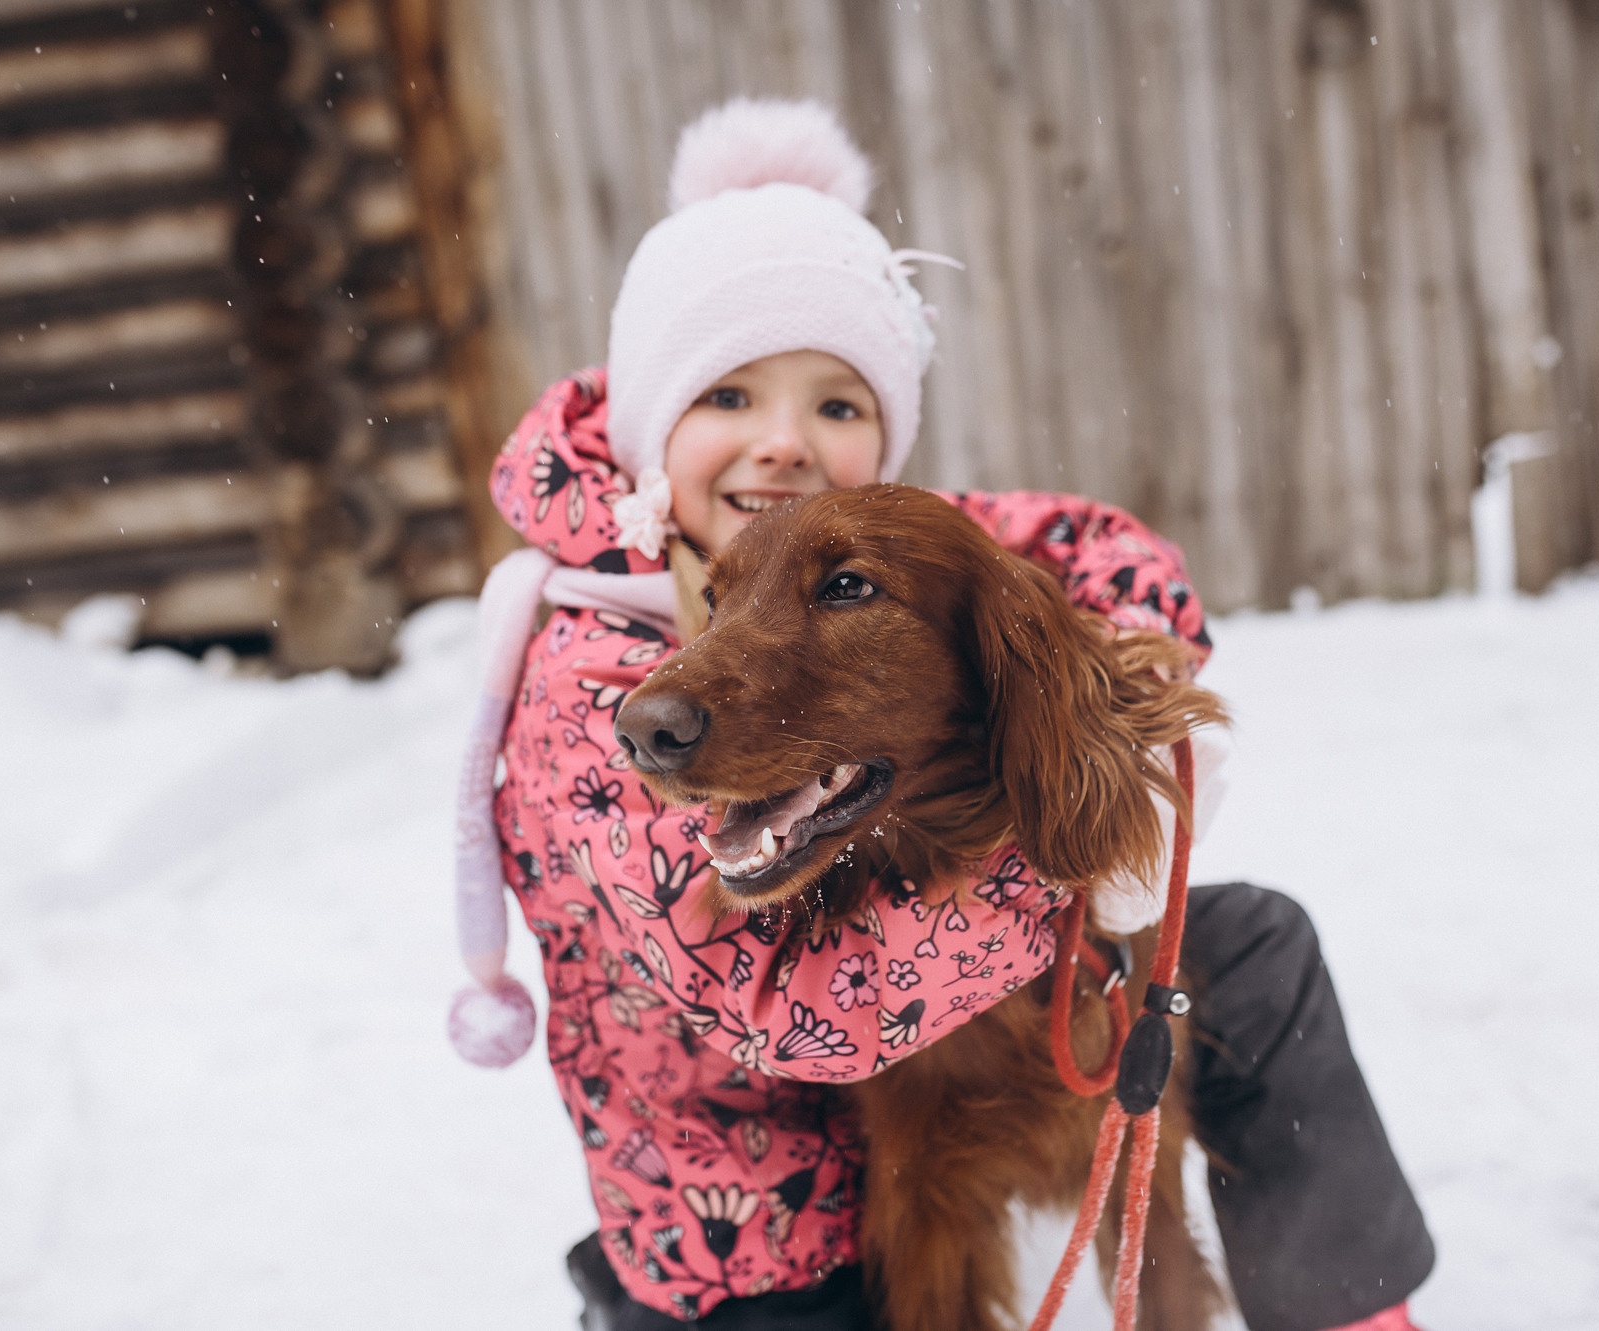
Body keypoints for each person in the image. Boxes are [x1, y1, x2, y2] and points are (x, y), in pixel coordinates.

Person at [450, 99, 1434, 1331]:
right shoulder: (580, 675)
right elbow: (800, 1000)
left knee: (1247, 943)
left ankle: (1347, 1311)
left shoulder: (847, 535)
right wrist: (1087, 838)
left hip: (940, 994)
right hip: (749, 1181)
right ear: (653, 428)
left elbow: (1083, 546)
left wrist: (1123, 706)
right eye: (728, 396)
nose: (783, 445)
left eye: (838, 407)